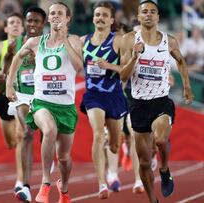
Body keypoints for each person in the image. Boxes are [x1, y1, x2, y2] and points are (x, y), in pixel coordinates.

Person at [6, 2, 83, 203]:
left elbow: (79, 67)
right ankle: (45, 184)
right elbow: (17, 58)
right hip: (42, 102)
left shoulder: (74, 40)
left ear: (68, 19)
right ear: (48, 19)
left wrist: (64, 39)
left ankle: (64, 188)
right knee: (48, 131)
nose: (56, 16)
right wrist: (9, 84)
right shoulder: (35, 42)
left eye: (60, 13)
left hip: (65, 107)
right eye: (52, 13)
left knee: (64, 158)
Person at [120, 0, 194, 202]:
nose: (149, 15)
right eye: (145, 12)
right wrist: (134, 57)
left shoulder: (168, 41)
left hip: (161, 101)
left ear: (158, 17)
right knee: (144, 162)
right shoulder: (128, 40)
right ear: (138, 16)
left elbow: (180, 61)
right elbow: (123, 76)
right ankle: (153, 199)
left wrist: (186, 85)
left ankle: (164, 167)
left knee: (161, 140)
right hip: (138, 104)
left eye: (153, 12)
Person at [79, 1, 127, 199]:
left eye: (104, 15)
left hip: (114, 95)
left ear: (111, 20)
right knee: (98, 135)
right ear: (93, 18)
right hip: (93, 95)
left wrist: (108, 65)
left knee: (114, 145)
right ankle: (101, 183)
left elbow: (126, 72)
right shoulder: (83, 41)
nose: (100, 17)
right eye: (97, 14)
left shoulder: (119, 40)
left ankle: (114, 155)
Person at [2, 6, 47, 202]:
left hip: (44, 94)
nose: (31, 24)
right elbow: (6, 64)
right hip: (22, 94)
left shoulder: (49, 43)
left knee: (47, 132)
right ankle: (25, 185)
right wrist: (7, 80)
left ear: (43, 24)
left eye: (36, 21)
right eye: (29, 21)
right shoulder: (15, 44)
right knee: (27, 133)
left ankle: (48, 153)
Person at [0, 13, 25, 194]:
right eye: (12, 23)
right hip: (4, 95)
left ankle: (20, 181)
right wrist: (3, 75)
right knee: (10, 143)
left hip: (22, 96)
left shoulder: (29, 45)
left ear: (23, 28)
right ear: (6, 28)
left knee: (20, 138)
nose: (16, 25)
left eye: (19, 22)